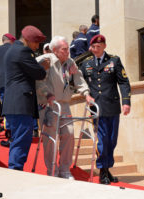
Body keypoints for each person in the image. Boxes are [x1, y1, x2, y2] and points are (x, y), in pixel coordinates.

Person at [36, 35, 94, 179]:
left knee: (68, 134)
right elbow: (38, 81)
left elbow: (79, 79)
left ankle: (64, 170)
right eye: (64, 49)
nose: (68, 51)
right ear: (54, 50)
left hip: (64, 105)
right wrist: (47, 94)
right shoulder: (46, 60)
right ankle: (52, 170)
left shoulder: (70, 62)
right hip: (49, 105)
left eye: (68, 49)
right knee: (50, 139)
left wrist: (86, 94)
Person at [80, 35, 131, 185]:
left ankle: (107, 169)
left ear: (104, 46)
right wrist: (86, 95)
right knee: (102, 140)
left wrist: (126, 102)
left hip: (113, 106)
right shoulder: (86, 64)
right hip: (97, 107)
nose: (95, 49)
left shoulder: (114, 61)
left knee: (112, 140)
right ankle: (102, 170)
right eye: (93, 47)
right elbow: (79, 82)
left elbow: (123, 81)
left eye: (98, 47)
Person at [2, 25, 48, 170]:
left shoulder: (13, 50)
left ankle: (15, 170)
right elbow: (39, 73)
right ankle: (15, 171)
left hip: (15, 103)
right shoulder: (22, 51)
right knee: (22, 140)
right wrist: (44, 66)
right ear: (28, 40)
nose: (37, 46)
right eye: (36, 42)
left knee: (18, 139)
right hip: (20, 103)